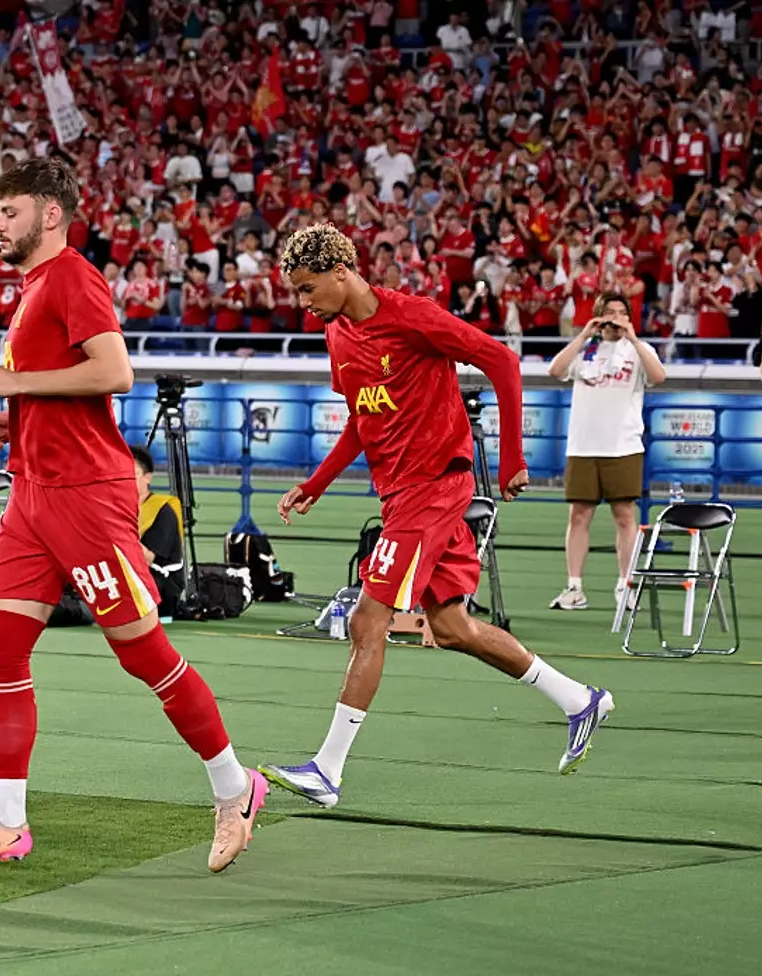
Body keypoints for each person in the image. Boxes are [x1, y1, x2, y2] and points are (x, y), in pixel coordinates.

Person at [0, 158, 266, 872]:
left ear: (51, 213)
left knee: (141, 652)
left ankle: (236, 788)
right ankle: (6, 820)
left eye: (8, 212)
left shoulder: (73, 275)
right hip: (33, 493)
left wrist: (19, 383)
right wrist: (16, 419)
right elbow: (66, 389)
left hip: (87, 496)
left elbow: (114, 372)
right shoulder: (32, 288)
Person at [261, 224, 615, 810]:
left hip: (433, 489)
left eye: (307, 288)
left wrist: (513, 459)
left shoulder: (411, 317)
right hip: (401, 495)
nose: (303, 302)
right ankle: (580, 699)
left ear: (341, 272)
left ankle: (327, 769)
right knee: (452, 628)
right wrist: (316, 484)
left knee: (367, 619)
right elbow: (361, 418)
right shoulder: (338, 336)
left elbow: (501, 360)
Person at [546, 293, 666, 610]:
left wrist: (634, 337)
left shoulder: (640, 350)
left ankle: (625, 586)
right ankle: (574, 588)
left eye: (621, 312)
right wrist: (584, 334)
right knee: (579, 515)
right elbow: (555, 370)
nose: (615, 318)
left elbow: (659, 377)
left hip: (623, 446)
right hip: (583, 445)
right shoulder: (586, 349)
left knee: (625, 517)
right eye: (609, 313)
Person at [130, 445, 186, 619]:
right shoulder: (117, 506)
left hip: (160, 586)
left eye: (133, 474)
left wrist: (117, 531)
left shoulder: (162, 510)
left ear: (148, 478)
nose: (126, 479)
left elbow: (147, 559)